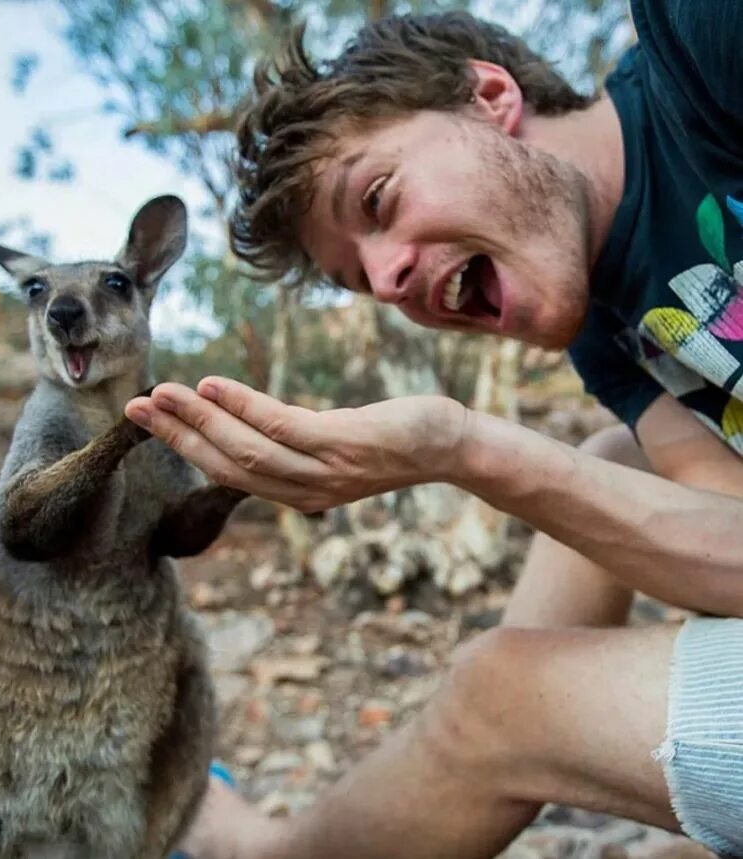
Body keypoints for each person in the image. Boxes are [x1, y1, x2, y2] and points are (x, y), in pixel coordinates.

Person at [126, 1, 743, 857]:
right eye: (360, 278)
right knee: (611, 458)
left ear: (489, 96)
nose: (387, 280)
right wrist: (460, 449)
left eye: (376, 198)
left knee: (499, 696)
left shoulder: (699, 47)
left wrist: (464, 448)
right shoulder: (607, 335)